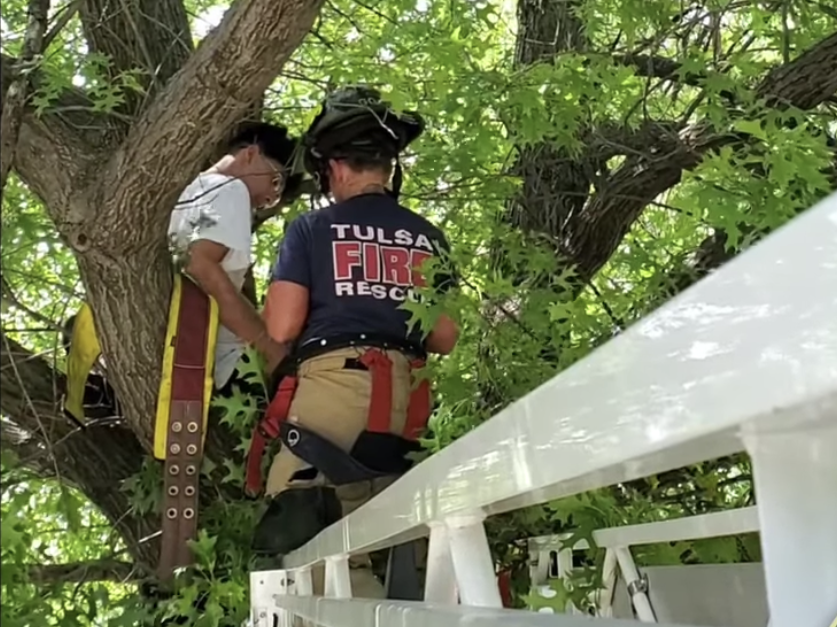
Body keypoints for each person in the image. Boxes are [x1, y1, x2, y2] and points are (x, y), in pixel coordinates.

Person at [247, 87, 459, 598]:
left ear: (336, 167)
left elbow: (280, 328)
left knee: (308, 537)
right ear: (387, 167)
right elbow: (444, 336)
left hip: (334, 392)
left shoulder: (312, 229)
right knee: (390, 535)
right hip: (407, 401)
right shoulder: (428, 237)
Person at [169, 122, 304, 388]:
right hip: (223, 364)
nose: (270, 198)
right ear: (250, 154)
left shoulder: (195, 191)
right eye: (275, 182)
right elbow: (202, 265)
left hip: (190, 355)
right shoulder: (232, 189)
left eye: (278, 196)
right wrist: (268, 347)